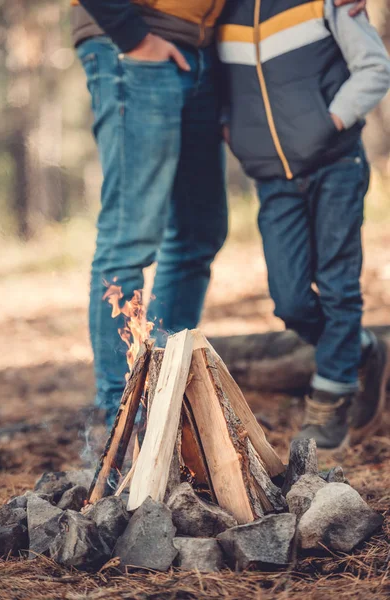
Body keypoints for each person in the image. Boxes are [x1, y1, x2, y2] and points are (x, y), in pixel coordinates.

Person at [72, 0, 366, 427]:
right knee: (129, 236)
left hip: (201, 49)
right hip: (134, 41)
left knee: (198, 234)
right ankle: (123, 420)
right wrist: (133, 38)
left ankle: (165, 397)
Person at [219, 0, 390, 449]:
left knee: (337, 286)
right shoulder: (220, 14)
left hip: (336, 163)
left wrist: (328, 121)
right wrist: (233, 130)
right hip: (273, 179)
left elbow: (374, 67)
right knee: (290, 299)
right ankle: (360, 348)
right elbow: (218, 89)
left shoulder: (325, 2)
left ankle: (330, 400)